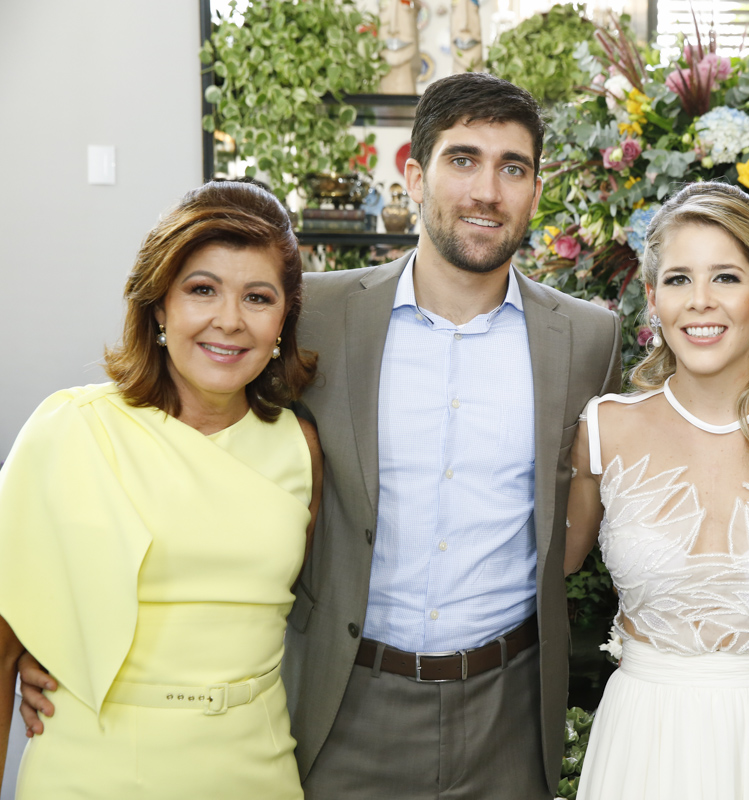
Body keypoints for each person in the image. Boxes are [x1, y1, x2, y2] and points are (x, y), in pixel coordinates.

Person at [281, 72, 621, 799]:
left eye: (513, 167)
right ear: (413, 176)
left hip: (508, 711)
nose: (486, 192)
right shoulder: (316, 319)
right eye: (462, 160)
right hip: (346, 702)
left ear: (536, 189)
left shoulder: (588, 338)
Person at [0, 180, 323, 797]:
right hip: (90, 768)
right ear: (158, 307)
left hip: (254, 768)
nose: (229, 321)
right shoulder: (70, 430)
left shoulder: (303, 447)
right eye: (202, 290)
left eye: (258, 297)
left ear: (284, 317)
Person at [565, 181, 749, 800]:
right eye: (677, 280)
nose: (700, 302)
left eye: (725, 277)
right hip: (644, 739)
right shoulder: (603, 429)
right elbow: (548, 566)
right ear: (651, 299)